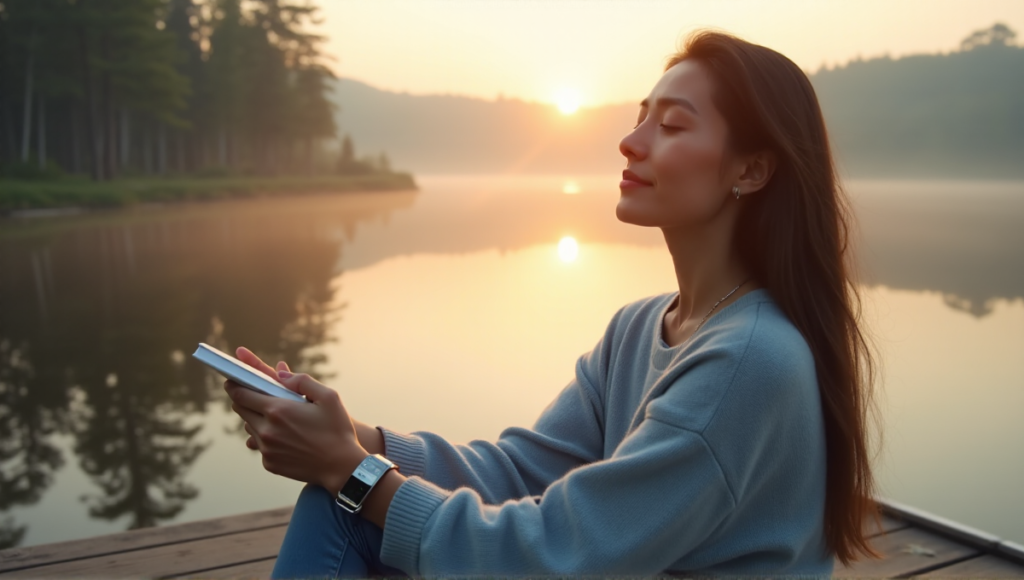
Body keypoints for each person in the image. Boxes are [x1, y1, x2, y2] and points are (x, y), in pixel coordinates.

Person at [224, 29, 881, 578]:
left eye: (672, 125)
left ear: (751, 170)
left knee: (346, 501)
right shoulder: (639, 329)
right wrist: (354, 438)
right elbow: (521, 472)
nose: (632, 141)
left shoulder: (749, 361)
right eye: (640, 116)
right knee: (340, 500)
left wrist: (350, 470)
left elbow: (553, 554)